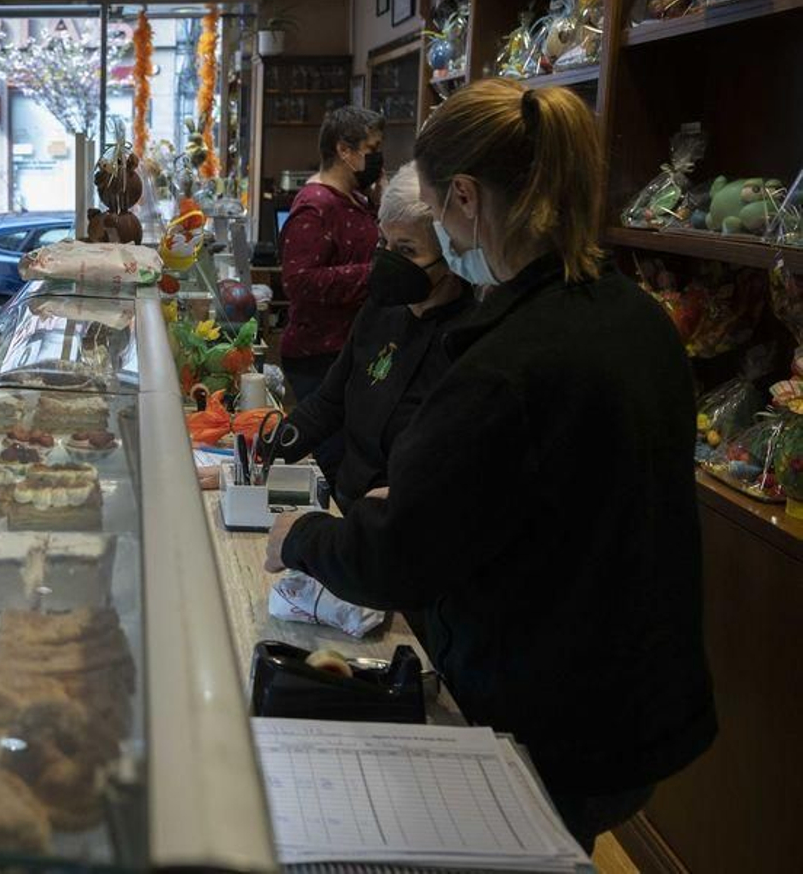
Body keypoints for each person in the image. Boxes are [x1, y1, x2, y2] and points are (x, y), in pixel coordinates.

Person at [266, 80, 716, 852]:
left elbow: (398, 552)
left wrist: (300, 535)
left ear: (467, 199)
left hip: (555, 710)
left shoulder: (505, 363)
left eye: (437, 215)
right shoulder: (637, 317)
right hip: (640, 696)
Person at [267, 163, 474, 515]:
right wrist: (261, 454)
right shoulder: (381, 309)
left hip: (403, 525)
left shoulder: (470, 339)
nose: (387, 259)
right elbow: (328, 403)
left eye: (407, 250)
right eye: (383, 242)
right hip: (345, 508)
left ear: (452, 254)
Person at [279, 105, 386, 478]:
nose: (378, 157)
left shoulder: (356, 199)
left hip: (347, 348)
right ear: (345, 150)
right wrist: (374, 275)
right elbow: (299, 281)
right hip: (319, 355)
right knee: (331, 457)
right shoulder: (316, 206)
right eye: (372, 148)